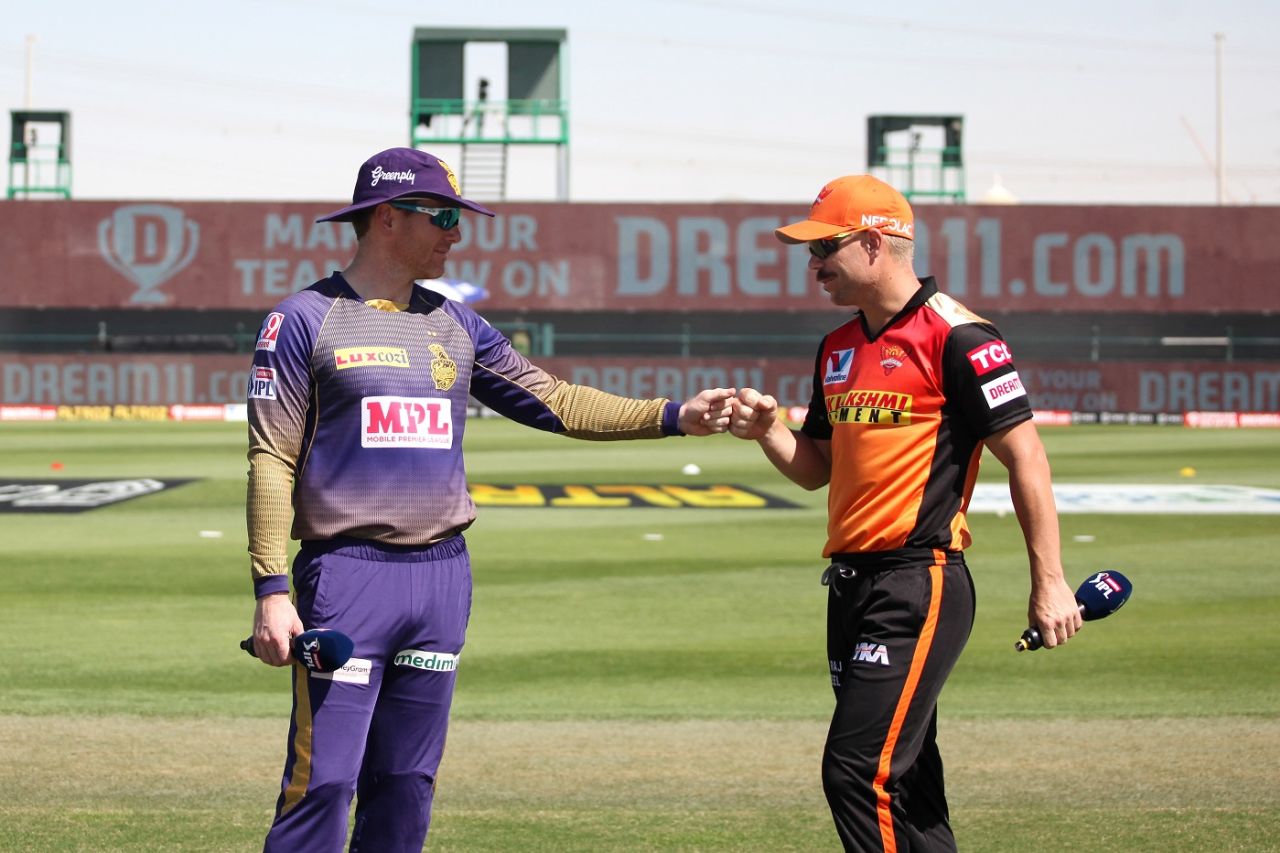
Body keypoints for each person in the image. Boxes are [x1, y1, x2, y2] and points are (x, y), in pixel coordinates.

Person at [245, 146, 735, 852]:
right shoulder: (301, 321)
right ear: (387, 218)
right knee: (323, 781)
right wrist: (271, 586)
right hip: (347, 579)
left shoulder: (457, 325)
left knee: (407, 781)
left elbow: (556, 400)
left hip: (442, 579)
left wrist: (675, 415)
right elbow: (271, 457)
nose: (456, 232)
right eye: (442, 216)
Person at [727, 174, 1080, 852]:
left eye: (824, 248)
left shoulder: (960, 335)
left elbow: (1028, 457)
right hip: (852, 587)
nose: (814, 266)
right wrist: (768, 430)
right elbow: (816, 468)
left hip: (919, 582)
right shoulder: (836, 346)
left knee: (855, 773)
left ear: (873, 241)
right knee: (907, 783)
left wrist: (1050, 578)